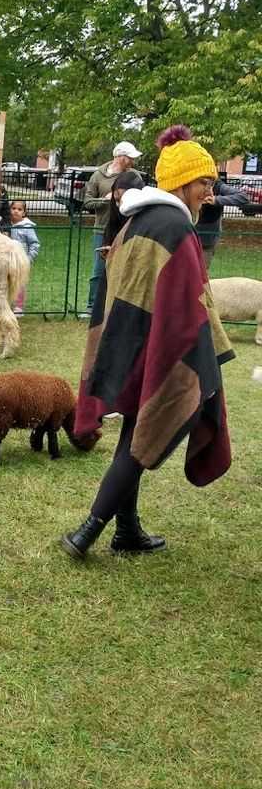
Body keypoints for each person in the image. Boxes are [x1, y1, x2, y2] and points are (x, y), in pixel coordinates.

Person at [61, 125, 234, 561]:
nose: (209, 193)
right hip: (157, 350)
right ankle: (88, 530)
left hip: (129, 345)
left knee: (135, 433)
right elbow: (189, 306)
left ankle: (127, 529)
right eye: (204, 182)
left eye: (212, 183)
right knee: (144, 436)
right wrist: (197, 357)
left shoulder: (140, 218)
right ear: (181, 182)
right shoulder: (174, 227)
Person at [82, 140, 142, 315]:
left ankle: (120, 306)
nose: (133, 161)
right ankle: (93, 307)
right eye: (130, 157)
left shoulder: (134, 176)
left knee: (127, 267)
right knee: (99, 269)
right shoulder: (98, 176)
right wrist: (105, 201)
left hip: (126, 228)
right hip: (101, 229)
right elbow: (87, 202)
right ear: (120, 157)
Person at [194, 177, 250, 269]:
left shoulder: (218, 185)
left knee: (201, 271)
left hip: (207, 239)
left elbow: (243, 197)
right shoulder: (189, 183)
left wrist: (216, 200)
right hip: (187, 236)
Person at [9, 200, 41, 315]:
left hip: (22, 260)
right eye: (13, 208)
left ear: (24, 213)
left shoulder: (27, 227)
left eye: (19, 209)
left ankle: (18, 307)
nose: (16, 211)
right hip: (8, 259)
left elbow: (34, 244)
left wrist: (28, 259)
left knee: (19, 283)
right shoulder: (7, 225)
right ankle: (7, 304)